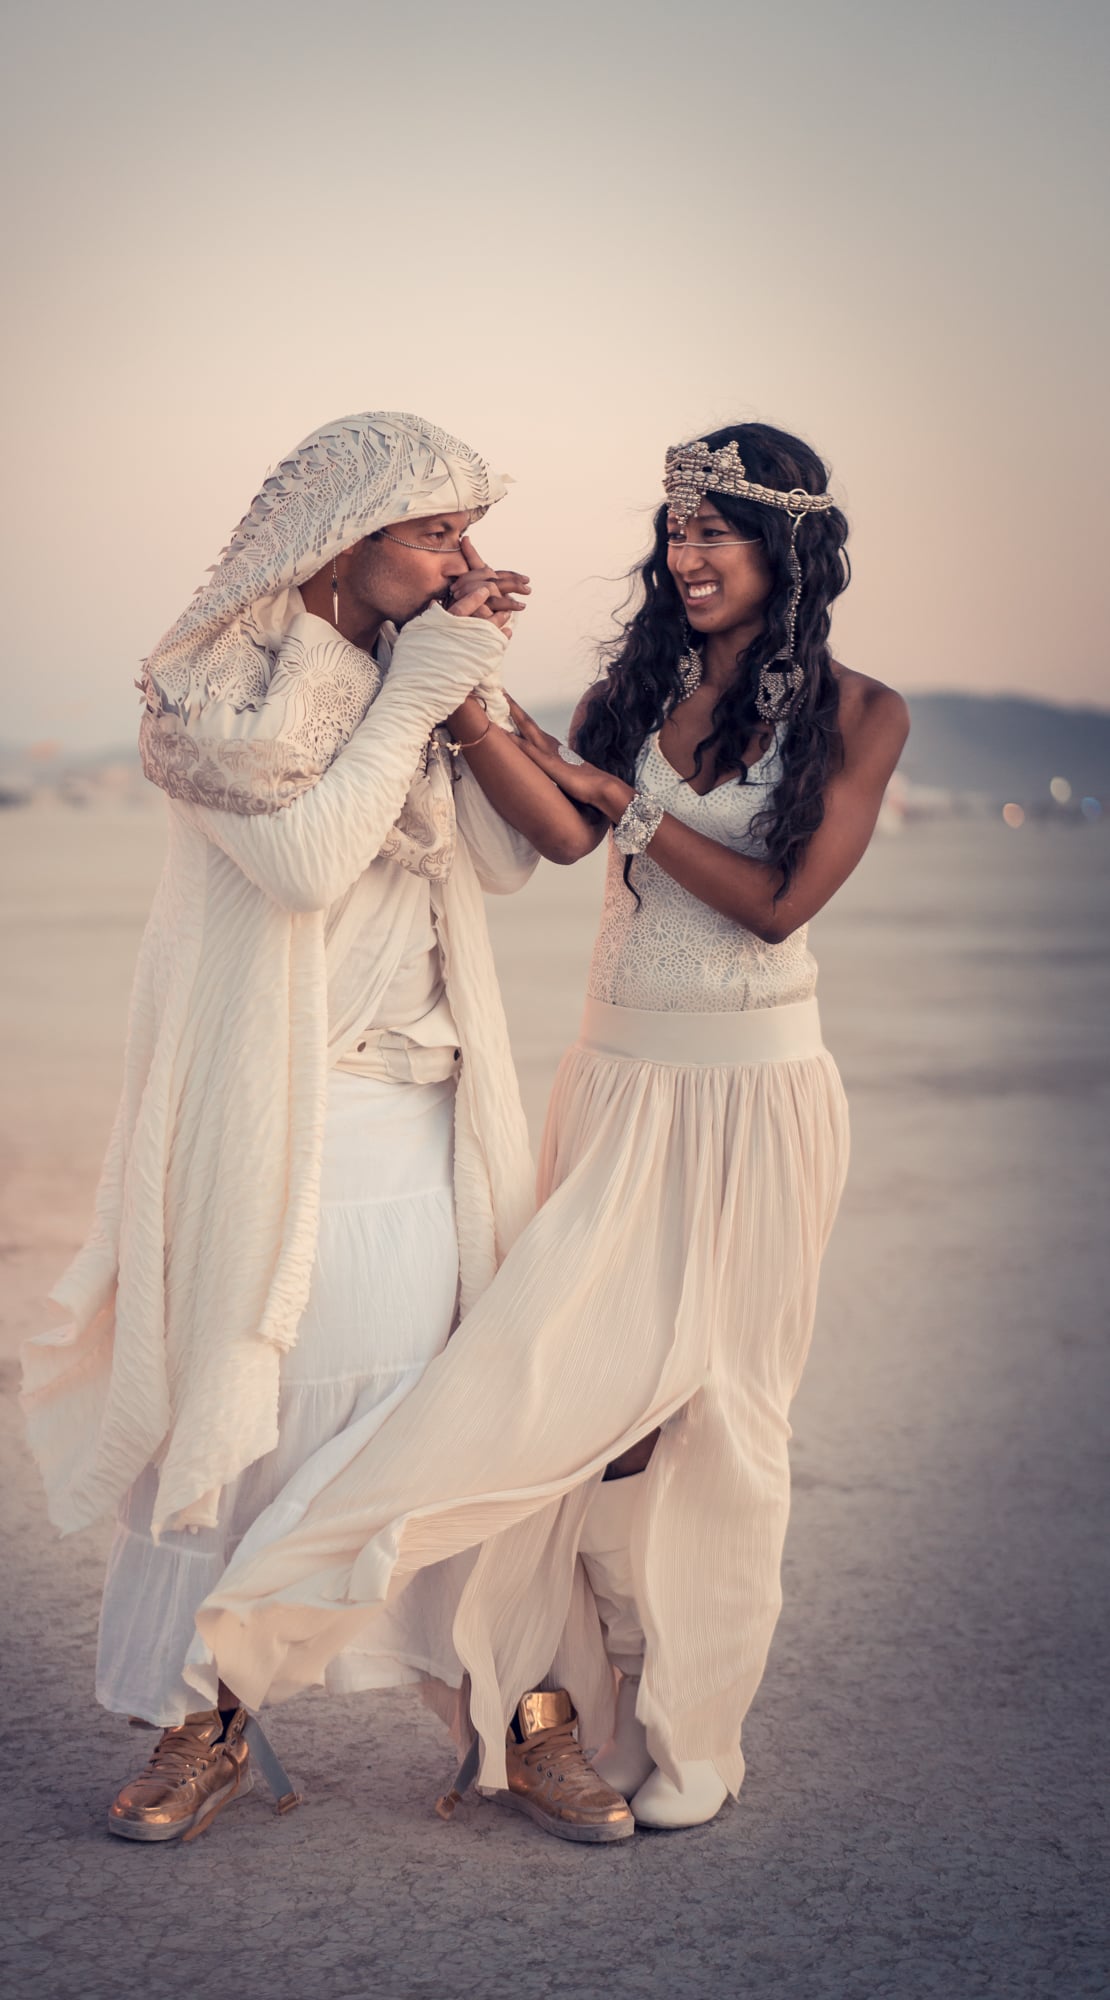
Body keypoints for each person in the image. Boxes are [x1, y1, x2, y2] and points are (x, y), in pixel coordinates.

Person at [185, 422, 910, 1842]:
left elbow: (772, 902)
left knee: (726, 1421)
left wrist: (625, 807)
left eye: (717, 531)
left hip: (759, 1093)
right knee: (546, 1392)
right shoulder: (628, 688)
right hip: (615, 1079)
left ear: (788, 550)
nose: (687, 556)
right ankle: (357, 1649)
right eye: (676, 530)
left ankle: (690, 1741)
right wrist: (463, 694)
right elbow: (563, 840)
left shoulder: (864, 709)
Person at [21, 411, 545, 1844]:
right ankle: (205, 1716)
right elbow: (309, 863)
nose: (465, 559)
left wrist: (467, 694)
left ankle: (515, 1704)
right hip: (280, 1105)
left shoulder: (412, 672)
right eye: (437, 530)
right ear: (348, 535)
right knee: (245, 1414)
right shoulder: (209, 691)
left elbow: (502, 862)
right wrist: (414, 690)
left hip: (430, 1107)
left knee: (438, 1412)